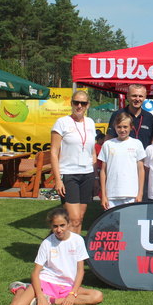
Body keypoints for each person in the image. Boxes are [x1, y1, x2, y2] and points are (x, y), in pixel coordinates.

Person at [8, 208, 103, 305]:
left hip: (67, 286)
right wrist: (40, 296)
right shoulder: (46, 243)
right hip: (45, 282)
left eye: (62, 225)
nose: (59, 230)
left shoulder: (78, 240)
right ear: (51, 226)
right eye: (55, 226)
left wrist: (73, 293)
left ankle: (52, 300)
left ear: (68, 224)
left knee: (97, 296)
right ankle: (20, 289)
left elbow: (80, 270)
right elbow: (35, 273)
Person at [51, 90, 96, 234]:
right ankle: (66, 250)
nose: (79, 106)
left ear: (88, 105)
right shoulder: (62, 122)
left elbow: (92, 151)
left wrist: (95, 176)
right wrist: (58, 179)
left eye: (83, 103)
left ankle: (74, 252)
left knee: (80, 218)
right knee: (73, 217)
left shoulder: (90, 122)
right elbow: (54, 152)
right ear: (71, 103)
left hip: (87, 174)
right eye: (76, 102)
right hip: (69, 174)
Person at [99, 112, 146, 210]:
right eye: (119, 127)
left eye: (125, 127)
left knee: (130, 223)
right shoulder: (108, 144)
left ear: (131, 127)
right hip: (111, 195)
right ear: (114, 127)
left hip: (131, 194)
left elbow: (141, 170)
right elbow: (103, 171)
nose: (122, 130)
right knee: (113, 225)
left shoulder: (137, 144)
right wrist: (103, 195)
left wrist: (140, 193)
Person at [106, 84, 153, 148]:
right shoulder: (118, 115)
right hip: (122, 155)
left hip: (143, 156)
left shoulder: (149, 117)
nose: (137, 99)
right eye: (134, 96)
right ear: (128, 96)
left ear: (145, 97)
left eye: (140, 96)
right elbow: (109, 137)